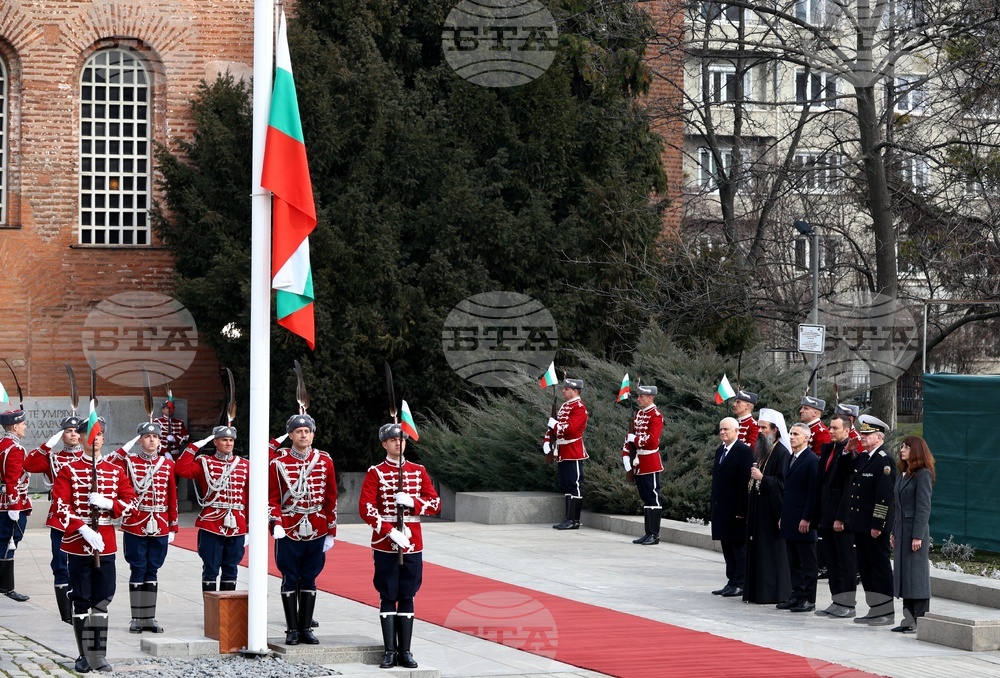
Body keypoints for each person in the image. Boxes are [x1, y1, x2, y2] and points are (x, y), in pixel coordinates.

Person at [52, 416, 136, 673]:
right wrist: (82, 528)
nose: (95, 438)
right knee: (81, 599)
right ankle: (83, 655)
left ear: (102, 438)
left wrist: (110, 504)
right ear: (81, 438)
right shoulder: (69, 470)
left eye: (98, 434)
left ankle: (99, 655)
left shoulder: (115, 470)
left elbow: (131, 503)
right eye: (89, 434)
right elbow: (60, 505)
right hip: (79, 543)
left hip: (105, 544)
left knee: (102, 599)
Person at [359, 422, 441, 670]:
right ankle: (389, 651)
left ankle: (405, 651)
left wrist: (413, 502)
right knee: (388, 594)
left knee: (407, 594)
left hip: (412, 543)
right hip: (386, 543)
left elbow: (435, 504)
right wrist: (389, 531)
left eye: (402, 440)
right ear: (384, 444)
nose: (398, 443)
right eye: (393, 440)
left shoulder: (418, 470)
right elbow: (366, 508)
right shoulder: (376, 472)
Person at [269, 413, 338, 646]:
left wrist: (331, 531)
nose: (303, 435)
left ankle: (306, 628)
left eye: (307, 431)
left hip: (316, 527)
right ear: (290, 435)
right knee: (290, 577)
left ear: (313, 435)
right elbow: (273, 498)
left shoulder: (324, 460)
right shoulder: (278, 463)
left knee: (310, 577)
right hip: (289, 527)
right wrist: (276, 523)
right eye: (298, 431)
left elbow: (331, 498)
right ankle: (292, 629)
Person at [110, 421, 178, 634]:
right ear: (139, 440)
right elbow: (111, 462)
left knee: (152, 570)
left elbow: (172, 495)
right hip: (136, 522)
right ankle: (136, 618)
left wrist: (173, 525)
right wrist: (126, 447)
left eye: (155, 437)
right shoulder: (129, 462)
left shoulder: (167, 465)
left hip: (160, 522)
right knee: (138, 568)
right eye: (147, 436)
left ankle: (149, 618)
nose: (152, 440)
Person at [23, 415, 85, 621]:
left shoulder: (89, 458)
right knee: (59, 563)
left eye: (76, 431)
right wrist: (47, 445)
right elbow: (28, 465)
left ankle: (82, 607)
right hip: (60, 517)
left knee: (82, 564)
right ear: (61, 435)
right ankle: (66, 615)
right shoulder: (53, 458)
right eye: (68, 431)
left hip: (84, 517)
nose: (73, 434)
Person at [175, 425, 248, 592]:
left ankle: (227, 609)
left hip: (237, 524)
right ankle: (211, 608)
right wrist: (193, 447)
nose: (228, 443)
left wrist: (249, 527)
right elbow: (181, 469)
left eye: (231, 440)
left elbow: (250, 497)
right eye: (224, 440)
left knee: (231, 569)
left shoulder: (244, 465)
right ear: (215, 442)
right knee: (210, 569)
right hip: (212, 522)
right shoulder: (205, 462)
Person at [848, 414, 896, 626]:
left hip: (874, 526)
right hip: (861, 524)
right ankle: (874, 609)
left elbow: (884, 497)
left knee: (879, 568)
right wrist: (847, 451)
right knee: (866, 569)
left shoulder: (884, 460)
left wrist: (877, 524)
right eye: (863, 433)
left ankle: (886, 611)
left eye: (868, 434)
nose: (863, 437)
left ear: (879, 437)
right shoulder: (864, 457)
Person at [743, 408, 791, 605]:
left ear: (775, 430)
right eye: (759, 427)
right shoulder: (763, 451)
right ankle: (756, 592)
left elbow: (783, 484)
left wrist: (763, 478)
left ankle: (771, 594)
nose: (760, 431)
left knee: (770, 553)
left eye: (764, 428)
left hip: (772, 512)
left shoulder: (782, 453)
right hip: (759, 509)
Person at [814, 413, 859, 618]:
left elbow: (848, 488)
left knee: (845, 561)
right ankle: (836, 600)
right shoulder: (829, 449)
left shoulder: (850, 453)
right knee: (831, 561)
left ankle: (848, 603)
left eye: (835, 428)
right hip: (827, 516)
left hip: (841, 519)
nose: (830, 431)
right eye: (830, 427)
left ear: (847, 431)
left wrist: (841, 517)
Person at [891, 436, 935, 633]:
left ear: (916, 450)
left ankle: (920, 619)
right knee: (904, 574)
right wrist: (894, 532)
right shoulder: (903, 474)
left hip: (915, 532)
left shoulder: (923, 474)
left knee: (916, 575)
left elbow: (923, 508)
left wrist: (918, 535)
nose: (902, 450)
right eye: (902, 446)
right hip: (901, 531)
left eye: (907, 447)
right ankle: (908, 619)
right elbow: (898, 507)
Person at [777, 423, 819, 613]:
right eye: (791, 433)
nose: (792, 437)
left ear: (807, 438)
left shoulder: (811, 460)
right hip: (790, 517)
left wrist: (808, 518)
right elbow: (788, 490)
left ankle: (809, 598)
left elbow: (813, 492)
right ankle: (796, 595)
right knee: (793, 561)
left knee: (807, 562)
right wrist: (783, 516)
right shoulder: (790, 457)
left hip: (803, 519)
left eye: (796, 434)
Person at [710, 417, 753, 598]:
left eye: (726, 429)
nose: (722, 432)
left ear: (736, 431)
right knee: (727, 546)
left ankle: (740, 582)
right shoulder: (720, 450)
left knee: (737, 547)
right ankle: (731, 580)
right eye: (721, 429)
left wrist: (741, 510)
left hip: (736, 510)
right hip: (721, 508)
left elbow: (744, 482)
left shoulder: (744, 451)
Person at [542, 378, 588, 530]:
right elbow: (553, 428)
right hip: (562, 450)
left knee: (575, 484)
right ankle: (568, 518)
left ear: (575, 391)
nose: (563, 390)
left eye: (567, 389)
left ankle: (574, 520)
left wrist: (555, 425)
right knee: (567, 485)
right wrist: (547, 441)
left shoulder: (579, 407)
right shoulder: (565, 406)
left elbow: (570, 429)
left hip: (573, 450)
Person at [622, 384, 664, 545]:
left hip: (650, 461)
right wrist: (626, 454)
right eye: (638, 396)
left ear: (650, 398)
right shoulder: (639, 414)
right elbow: (630, 436)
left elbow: (652, 440)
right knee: (646, 497)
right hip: (638, 461)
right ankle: (648, 533)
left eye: (641, 396)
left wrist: (636, 440)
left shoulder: (656, 415)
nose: (638, 399)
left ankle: (654, 534)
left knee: (653, 497)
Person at [0, 407, 31, 602]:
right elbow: (12, 480)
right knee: (9, 542)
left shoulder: (2, 444)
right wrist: (14, 507)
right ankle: (6, 587)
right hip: (10, 504)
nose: (25, 427)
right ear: (14, 426)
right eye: (22, 424)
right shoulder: (15, 449)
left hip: (2, 501)